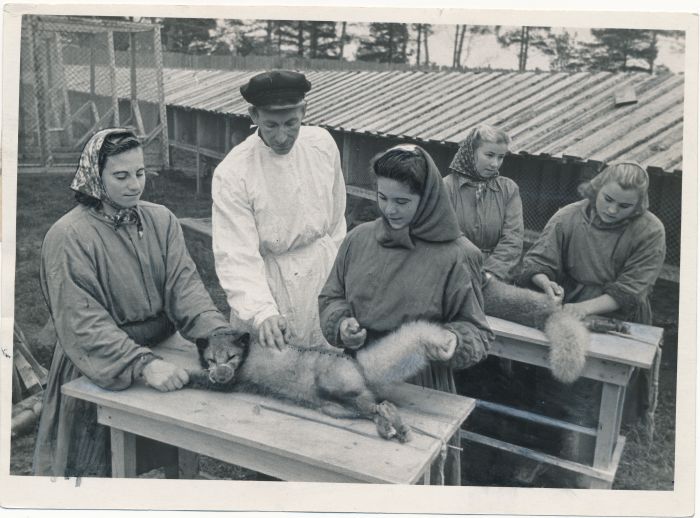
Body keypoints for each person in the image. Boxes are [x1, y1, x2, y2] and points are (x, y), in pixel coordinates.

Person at [33, 128, 232, 478]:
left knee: (168, 463)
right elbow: (83, 323)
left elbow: (185, 289)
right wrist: (143, 364)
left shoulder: (161, 219)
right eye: (121, 176)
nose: (134, 185)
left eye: (139, 173)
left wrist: (218, 335)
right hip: (99, 363)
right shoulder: (69, 236)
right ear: (96, 176)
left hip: (162, 353)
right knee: (98, 475)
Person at [318, 144, 494, 485]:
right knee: (353, 476)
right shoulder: (358, 240)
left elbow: (478, 332)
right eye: (383, 197)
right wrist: (341, 324)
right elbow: (331, 296)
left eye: (402, 202)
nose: (389, 209)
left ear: (427, 197)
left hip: (421, 384)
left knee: (413, 481)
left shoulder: (458, 255)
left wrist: (453, 339)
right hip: (357, 376)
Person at [520, 162, 666, 475]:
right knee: (553, 384)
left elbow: (631, 288)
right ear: (595, 190)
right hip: (569, 307)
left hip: (619, 315)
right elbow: (537, 261)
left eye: (625, 205)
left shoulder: (650, 230)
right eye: (607, 199)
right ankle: (541, 453)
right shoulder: (568, 216)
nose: (613, 210)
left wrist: (585, 308)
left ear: (639, 204)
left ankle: (583, 470)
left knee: (597, 397)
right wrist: (545, 282)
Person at [212, 70, 346, 350]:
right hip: (268, 283)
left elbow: (336, 222)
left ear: (304, 111)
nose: (282, 136)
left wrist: (340, 283)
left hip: (322, 277)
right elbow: (236, 254)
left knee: (329, 370)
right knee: (272, 373)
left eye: (291, 123)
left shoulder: (322, 145)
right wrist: (262, 312)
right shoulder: (234, 171)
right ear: (254, 115)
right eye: (271, 125)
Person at [444, 124, 524, 282]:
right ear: (471, 152)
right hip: (454, 275)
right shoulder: (446, 187)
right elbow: (441, 236)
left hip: (495, 279)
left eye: (500, 157)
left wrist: (490, 274)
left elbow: (513, 239)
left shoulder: (508, 189)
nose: (495, 164)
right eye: (489, 155)